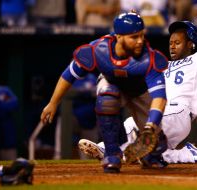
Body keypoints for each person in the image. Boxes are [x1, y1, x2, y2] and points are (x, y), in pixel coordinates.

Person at [78, 16, 197, 167]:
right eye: (170, 42)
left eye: (177, 42)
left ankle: (128, 149)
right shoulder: (164, 65)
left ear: (191, 44)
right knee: (135, 128)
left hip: (179, 113)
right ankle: (185, 153)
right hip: (161, 110)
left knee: (144, 131)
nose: (172, 46)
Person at [40, 11, 168, 173]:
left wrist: (151, 125)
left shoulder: (149, 58)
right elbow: (68, 75)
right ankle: (112, 153)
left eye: (142, 36)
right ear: (119, 36)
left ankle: (150, 155)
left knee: (157, 144)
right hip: (113, 85)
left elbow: (160, 97)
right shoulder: (98, 50)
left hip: (140, 91)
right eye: (134, 37)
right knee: (106, 99)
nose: (140, 41)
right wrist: (53, 103)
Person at [0, 65, 19, 160]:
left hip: (9, 142)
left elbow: (15, 103)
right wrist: (3, 104)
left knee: (12, 169)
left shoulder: (3, 90)